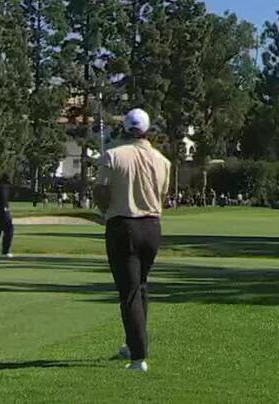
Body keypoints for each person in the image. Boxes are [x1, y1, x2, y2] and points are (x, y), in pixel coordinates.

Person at [96, 108, 171, 373]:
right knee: (140, 286)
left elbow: (101, 191)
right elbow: (162, 194)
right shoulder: (162, 160)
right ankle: (132, 344)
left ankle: (139, 357)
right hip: (152, 227)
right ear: (147, 130)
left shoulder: (112, 156)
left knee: (128, 292)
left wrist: (105, 212)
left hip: (123, 225)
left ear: (124, 128)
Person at [0, 173, 15, 258]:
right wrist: (5, 208)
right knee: (9, 230)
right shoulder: (3, 187)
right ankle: (5, 251)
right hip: (3, 212)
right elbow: (3, 199)